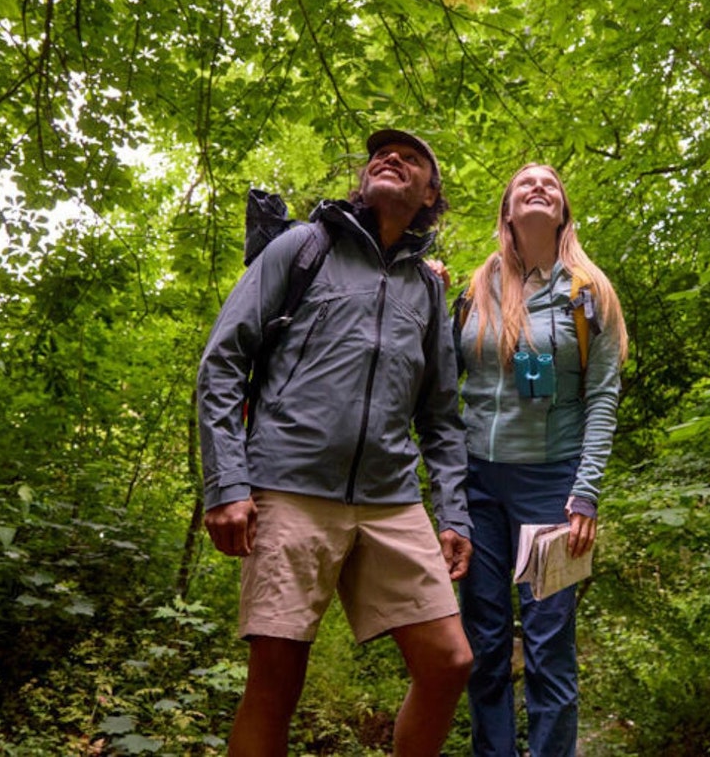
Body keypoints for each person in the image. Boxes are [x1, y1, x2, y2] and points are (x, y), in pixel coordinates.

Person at [195, 129, 474, 757]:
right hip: (290, 487)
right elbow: (222, 362)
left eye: (412, 158)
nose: (392, 158)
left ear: (431, 193)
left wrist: (453, 509)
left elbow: (440, 415)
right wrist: (228, 483)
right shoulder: (305, 247)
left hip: (391, 497)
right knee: (276, 681)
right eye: (383, 153)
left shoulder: (426, 288)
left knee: (449, 663)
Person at [454, 163, 628, 756]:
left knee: (550, 645)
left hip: (552, 486)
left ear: (562, 212)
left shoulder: (588, 292)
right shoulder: (474, 288)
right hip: (477, 485)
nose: (538, 188)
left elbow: (603, 396)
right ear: (507, 210)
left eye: (549, 185)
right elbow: (439, 388)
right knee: (484, 641)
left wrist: (585, 494)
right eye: (525, 183)